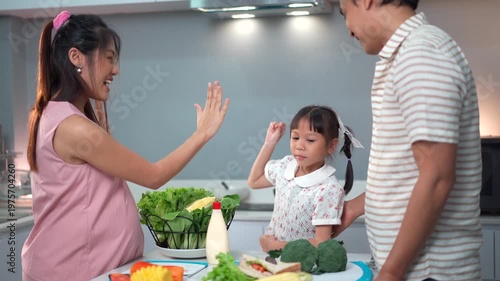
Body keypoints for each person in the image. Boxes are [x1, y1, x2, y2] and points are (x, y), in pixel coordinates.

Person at [22, 11, 229, 281]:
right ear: (76, 57)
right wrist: (201, 134)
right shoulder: (75, 129)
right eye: (108, 58)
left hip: (80, 268)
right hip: (73, 270)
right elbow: (153, 176)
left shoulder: (56, 114)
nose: (115, 69)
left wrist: (96, 107)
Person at [334, 1, 483, 280]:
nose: (349, 30)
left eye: (345, 14)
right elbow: (413, 173)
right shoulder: (412, 53)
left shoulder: (420, 54)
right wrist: (353, 208)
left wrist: (391, 272)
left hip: (429, 272)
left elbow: (437, 176)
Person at [247, 105, 363, 252]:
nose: (299, 146)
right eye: (295, 137)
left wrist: (275, 246)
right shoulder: (285, 166)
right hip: (273, 260)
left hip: (303, 266)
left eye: (310, 140)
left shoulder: (328, 188)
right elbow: (254, 181)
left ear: (331, 145)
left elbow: (321, 242)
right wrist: (269, 143)